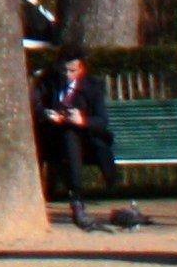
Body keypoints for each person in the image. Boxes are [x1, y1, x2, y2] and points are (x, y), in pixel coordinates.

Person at [37, 53, 120, 226]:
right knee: (65, 135)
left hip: (86, 143)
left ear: (81, 69)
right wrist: (48, 114)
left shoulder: (93, 87)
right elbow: (36, 106)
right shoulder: (51, 83)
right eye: (64, 70)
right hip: (54, 142)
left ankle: (76, 197)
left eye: (72, 70)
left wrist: (82, 121)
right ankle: (75, 198)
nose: (67, 74)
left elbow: (102, 121)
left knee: (71, 134)